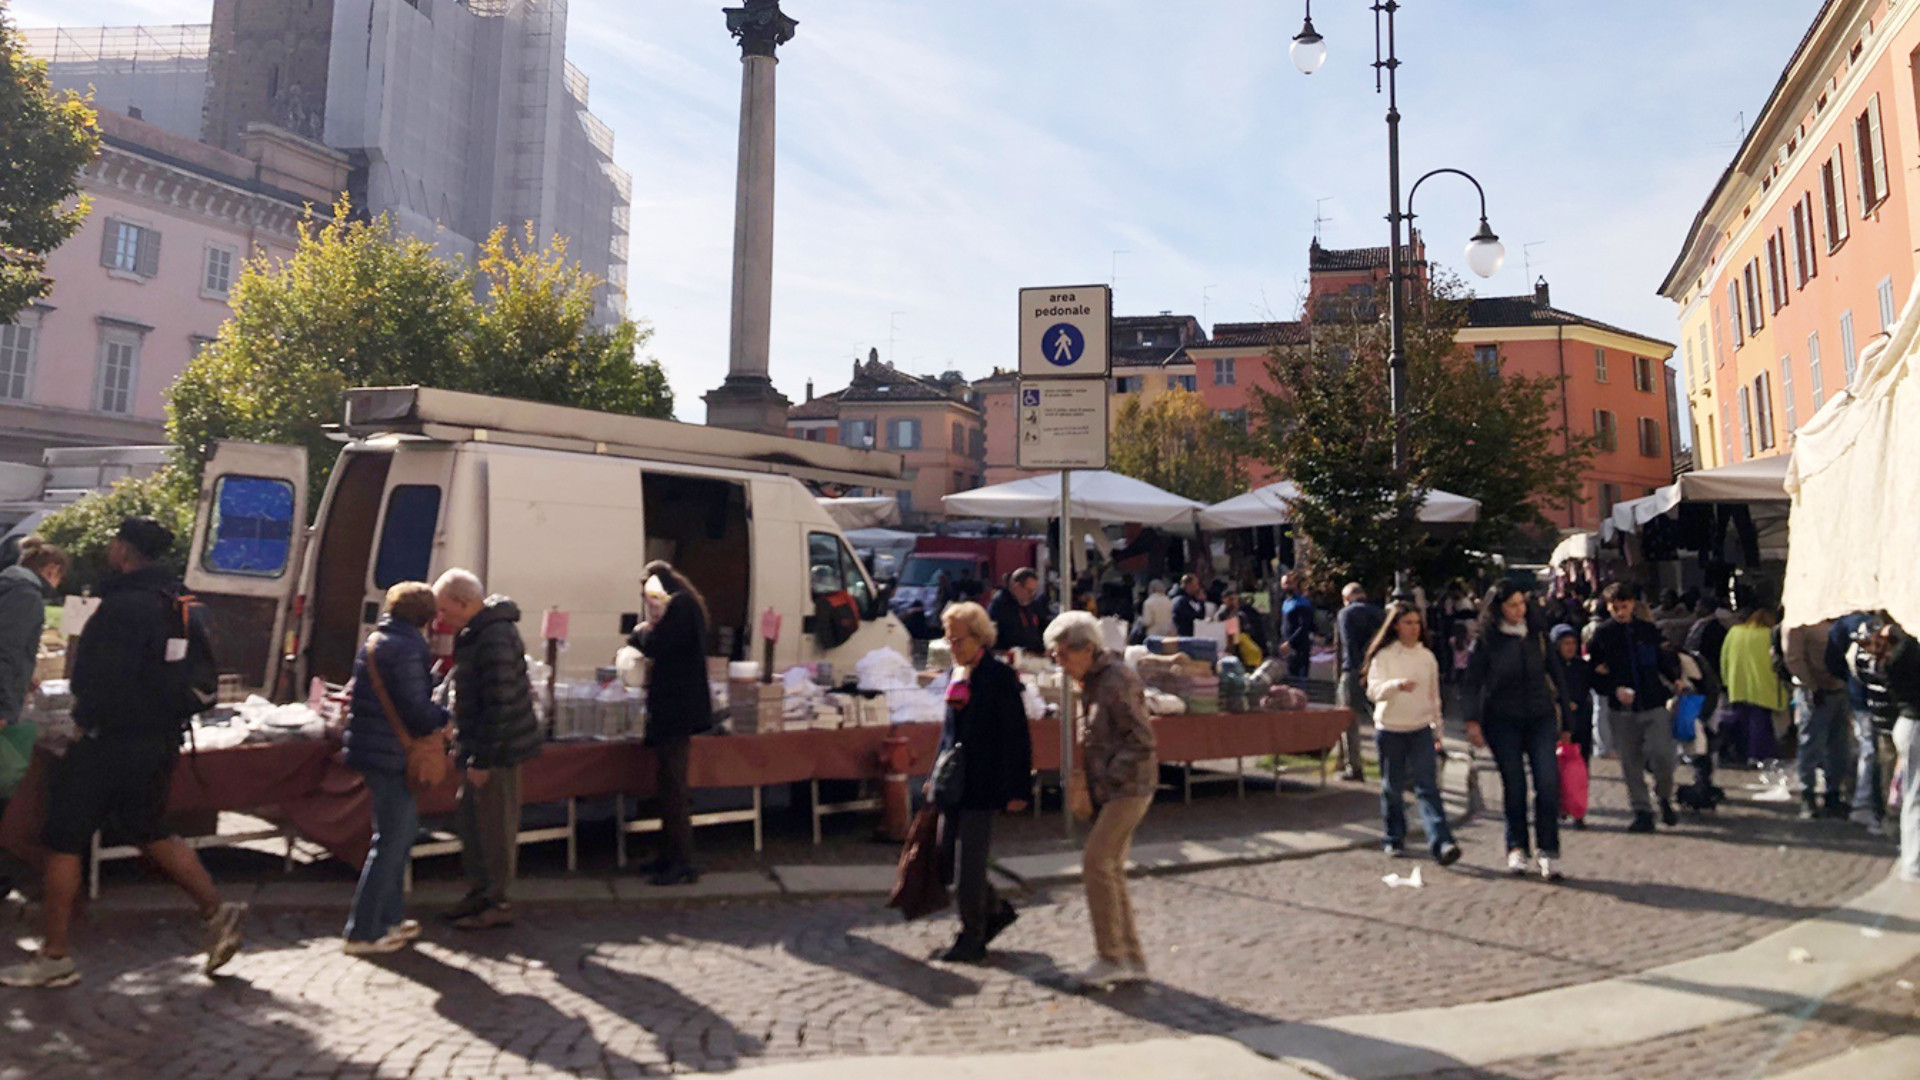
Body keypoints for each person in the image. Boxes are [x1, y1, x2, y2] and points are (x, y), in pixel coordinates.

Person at [0, 518, 247, 988]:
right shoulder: (179, 603)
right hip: (160, 739)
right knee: (149, 828)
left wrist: (81, 720)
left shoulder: (120, 607)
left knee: (62, 840)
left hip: (106, 739)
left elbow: (92, 682)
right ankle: (216, 910)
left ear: (122, 551)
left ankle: (55, 955)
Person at [1046, 611, 1156, 990]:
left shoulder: (1115, 681)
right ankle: (1131, 957)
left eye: (1063, 655)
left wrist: (1106, 778)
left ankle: (1111, 956)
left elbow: (1142, 740)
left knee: (1096, 862)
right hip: (1113, 788)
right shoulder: (1093, 681)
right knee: (1111, 868)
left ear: (1086, 649)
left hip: (1128, 788)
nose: (1059, 664)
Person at [341, 582, 449, 954]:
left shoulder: (378, 640)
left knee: (396, 839)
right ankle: (364, 931)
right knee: (390, 842)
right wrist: (444, 715)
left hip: (375, 749)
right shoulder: (408, 647)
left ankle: (388, 920)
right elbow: (416, 711)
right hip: (391, 753)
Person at [433, 569, 544, 929]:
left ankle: (497, 900)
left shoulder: (493, 636)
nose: (441, 619)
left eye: (445, 609)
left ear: (464, 602)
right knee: (473, 823)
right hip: (481, 745)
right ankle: (481, 892)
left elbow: (500, 702)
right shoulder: (480, 632)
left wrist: (481, 757)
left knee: (495, 827)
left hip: (497, 751)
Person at [931, 602, 1032, 964]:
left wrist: (1019, 789)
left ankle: (971, 935)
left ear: (979, 638)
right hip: (955, 780)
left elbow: (1016, 736)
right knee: (947, 857)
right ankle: (995, 910)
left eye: (957, 640)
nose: (951, 646)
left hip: (985, 782)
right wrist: (935, 775)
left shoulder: (999, 677)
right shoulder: (955, 673)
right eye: (948, 638)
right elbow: (948, 733)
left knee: (968, 866)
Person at [1462, 583, 1565, 882]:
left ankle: (1549, 850)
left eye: (1522, 604)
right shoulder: (1486, 641)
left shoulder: (1538, 635)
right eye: (1512, 605)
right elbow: (1472, 682)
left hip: (1541, 717)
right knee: (1515, 784)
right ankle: (1517, 846)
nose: (1519, 610)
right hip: (1502, 719)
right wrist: (1472, 721)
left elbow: (1556, 674)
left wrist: (1569, 722)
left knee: (1547, 783)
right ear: (1498, 609)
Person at [629, 561, 716, 886]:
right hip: (675, 707)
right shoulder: (683, 605)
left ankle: (682, 861)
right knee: (667, 786)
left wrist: (641, 635)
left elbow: (660, 645)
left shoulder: (680, 607)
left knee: (674, 788)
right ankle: (668, 856)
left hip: (677, 709)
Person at [1363, 602, 1461, 865]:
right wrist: (1395, 685)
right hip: (1390, 729)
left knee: (1428, 788)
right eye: (1408, 623)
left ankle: (1442, 842)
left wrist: (1438, 732)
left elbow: (1434, 697)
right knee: (1392, 787)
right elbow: (1373, 691)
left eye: (1417, 623)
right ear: (1396, 625)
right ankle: (1394, 837)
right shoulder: (1384, 657)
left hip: (1420, 730)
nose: (1414, 628)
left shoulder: (1426, 657)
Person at [1586, 583, 1683, 833]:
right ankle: (1642, 811)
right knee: (1631, 762)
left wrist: (1675, 678)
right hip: (1622, 710)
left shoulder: (1648, 631)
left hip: (1653, 703)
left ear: (1633, 604)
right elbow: (1593, 674)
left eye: (1624, 606)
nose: (1620, 612)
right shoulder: (1603, 635)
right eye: (1615, 608)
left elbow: (1663, 659)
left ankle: (1663, 796)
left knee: (1662, 754)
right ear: (1608, 608)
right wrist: (1613, 688)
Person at [1852, 617, 1920, 883]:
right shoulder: (1901, 657)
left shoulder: (1886, 662)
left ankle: (1912, 858)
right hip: (1914, 725)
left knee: (1912, 793)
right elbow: (1908, 646)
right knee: (1914, 795)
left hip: (1907, 725)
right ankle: (1913, 862)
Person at [1784, 616, 1850, 821]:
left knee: (1839, 746)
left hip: (1839, 689)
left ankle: (1833, 793)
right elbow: (1793, 657)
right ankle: (1808, 795)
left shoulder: (1835, 619)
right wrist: (1811, 685)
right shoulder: (1799, 622)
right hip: (1814, 692)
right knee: (1811, 744)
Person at [1831, 612, 1886, 834]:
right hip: (1868, 697)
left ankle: (1857, 795)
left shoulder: (1845, 623)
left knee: (1863, 746)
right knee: (1869, 749)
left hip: (1859, 695)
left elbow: (1832, 659)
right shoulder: (1861, 623)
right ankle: (1863, 802)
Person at [1719, 607, 1788, 765]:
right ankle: (1758, 756)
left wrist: (1725, 681)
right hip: (1764, 686)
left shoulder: (1734, 632)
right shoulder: (1770, 635)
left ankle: (1741, 753)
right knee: (1760, 722)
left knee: (1741, 720)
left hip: (1737, 684)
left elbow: (1724, 658)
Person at [1334, 583, 1386, 783]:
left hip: (1353, 671)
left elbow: (1349, 643)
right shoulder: (1379, 613)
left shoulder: (1346, 614)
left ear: (1347, 597)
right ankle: (1389, 765)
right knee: (1381, 718)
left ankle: (1354, 767)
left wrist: (1357, 670)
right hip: (1378, 671)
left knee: (1348, 720)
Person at [987, 568, 1046, 655]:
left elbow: (1040, 625)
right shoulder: (1000, 605)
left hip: (1032, 657)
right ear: (1017, 587)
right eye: (1029, 591)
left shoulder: (1029, 604)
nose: (1032, 595)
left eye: (1034, 591)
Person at [1279, 572, 1316, 684]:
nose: (1285, 587)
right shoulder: (1286, 602)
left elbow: (1304, 626)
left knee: (1299, 680)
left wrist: (1290, 642)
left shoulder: (1302, 603)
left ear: (1295, 583)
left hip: (1299, 647)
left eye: (1287, 583)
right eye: (1283, 584)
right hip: (1288, 647)